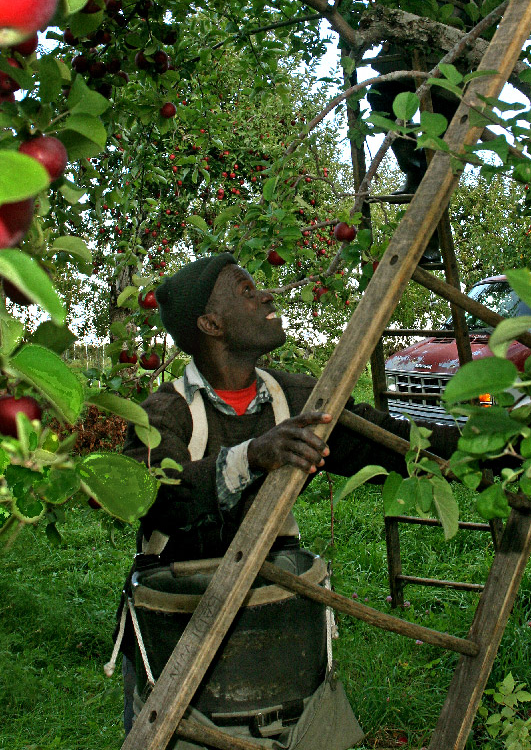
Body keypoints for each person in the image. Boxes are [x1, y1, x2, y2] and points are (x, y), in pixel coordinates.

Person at [115, 253, 459, 747]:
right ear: (211, 324)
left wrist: (495, 453)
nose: (267, 295)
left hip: (275, 620)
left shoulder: (293, 396)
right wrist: (252, 456)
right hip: (182, 624)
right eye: (246, 290)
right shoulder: (163, 414)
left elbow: (384, 440)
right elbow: (158, 500)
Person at [366, 0, 490, 199]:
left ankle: (430, 190)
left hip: (451, 50)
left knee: (443, 125)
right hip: (408, 49)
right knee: (382, 97)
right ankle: (414, 170)